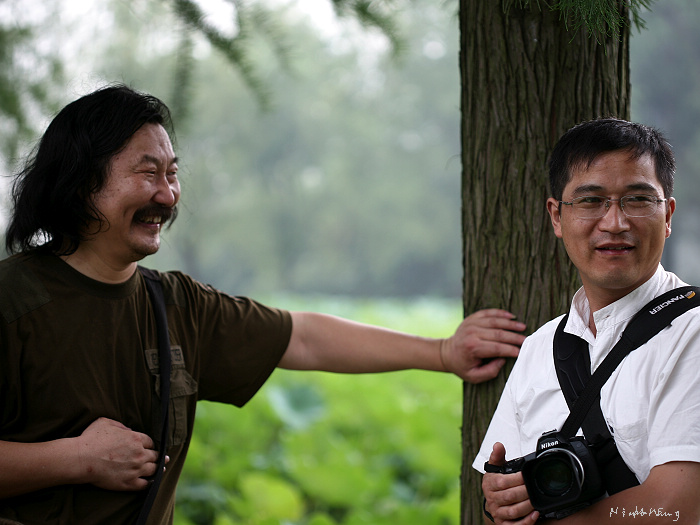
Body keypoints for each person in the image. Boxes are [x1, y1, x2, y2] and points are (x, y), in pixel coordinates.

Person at [0, 84, 526, 524]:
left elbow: (303, 337)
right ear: (82, 181)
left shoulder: (178, 305)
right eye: (148, 172)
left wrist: (442, 352)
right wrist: (76, 458)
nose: (168, 195)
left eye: (172, 173)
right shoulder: (12, 300)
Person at [473, 118, 700, 524]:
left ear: (667, 215)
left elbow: (676, 509)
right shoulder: (540, 346)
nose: (615, 223)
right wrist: (503, 502)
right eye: (591, 201)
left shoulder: (692, 331)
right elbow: (502, 489)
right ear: (556, 217)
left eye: (637, 199)